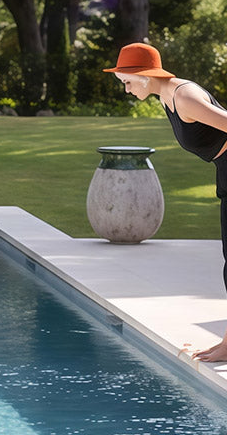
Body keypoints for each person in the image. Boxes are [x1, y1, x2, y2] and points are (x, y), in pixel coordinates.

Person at [106, 41, 227, 362]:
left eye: (127, 82)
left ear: (145, 75)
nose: (127, 90)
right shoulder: (167, 97)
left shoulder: (184, 96)